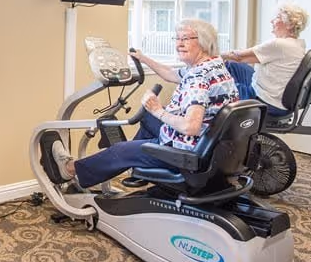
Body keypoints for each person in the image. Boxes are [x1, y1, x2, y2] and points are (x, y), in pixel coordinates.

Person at [50, 19, 239, 188]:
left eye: (186, 39)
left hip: (185, 152)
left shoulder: (198, 77)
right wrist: (143, 58)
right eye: (177, 39)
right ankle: (138, 167)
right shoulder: (214, 66)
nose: (179, 44)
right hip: (211, 146)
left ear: (204, 42)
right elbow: (171, 74)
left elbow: (191, 127)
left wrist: (158, 110)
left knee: (120, 151)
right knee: (148, 118)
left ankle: (68, 169)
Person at [222, 3, 309, 116]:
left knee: (221, 86)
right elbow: (243, 59)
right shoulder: (298, 44)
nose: (272, 21)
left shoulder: (279, 44)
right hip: (279, 100)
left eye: (277, 17)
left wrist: (216, 56)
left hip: (266, 102)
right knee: (232, 66)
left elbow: (239, 56)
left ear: (290, 24)